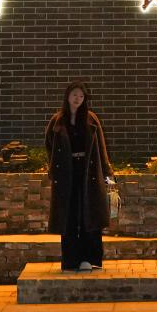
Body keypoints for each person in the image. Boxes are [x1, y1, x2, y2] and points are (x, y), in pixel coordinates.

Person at [45, 82, 114, 272]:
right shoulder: (58, 120)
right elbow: (49, 145)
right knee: (69, 215)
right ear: (67, 96)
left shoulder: (91, 119)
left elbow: (101, 146)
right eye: (75, 95)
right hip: (66, 173)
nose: (77, 99)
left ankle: (89, 258)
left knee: (89, 214)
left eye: (81, 96)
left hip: (88, 172)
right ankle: (70, 260)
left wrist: (107, 172)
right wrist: (54, 167)